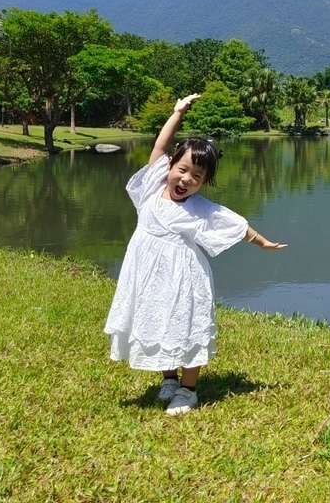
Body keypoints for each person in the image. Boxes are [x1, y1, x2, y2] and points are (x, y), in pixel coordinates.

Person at [104, 94, 286, 416]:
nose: (186, 180)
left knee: (185, 326)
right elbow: (160, 145)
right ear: (171, 165)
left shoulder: (200, 209)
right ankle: (169, 379)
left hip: (184, 278)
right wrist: (177, 113)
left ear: (204, 182)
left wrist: (263, 242)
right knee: (158, 320)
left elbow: (236, 225)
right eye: (182, 169)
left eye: (197, 177)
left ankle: (188, 390)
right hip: (148, 274)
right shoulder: (152, 185)